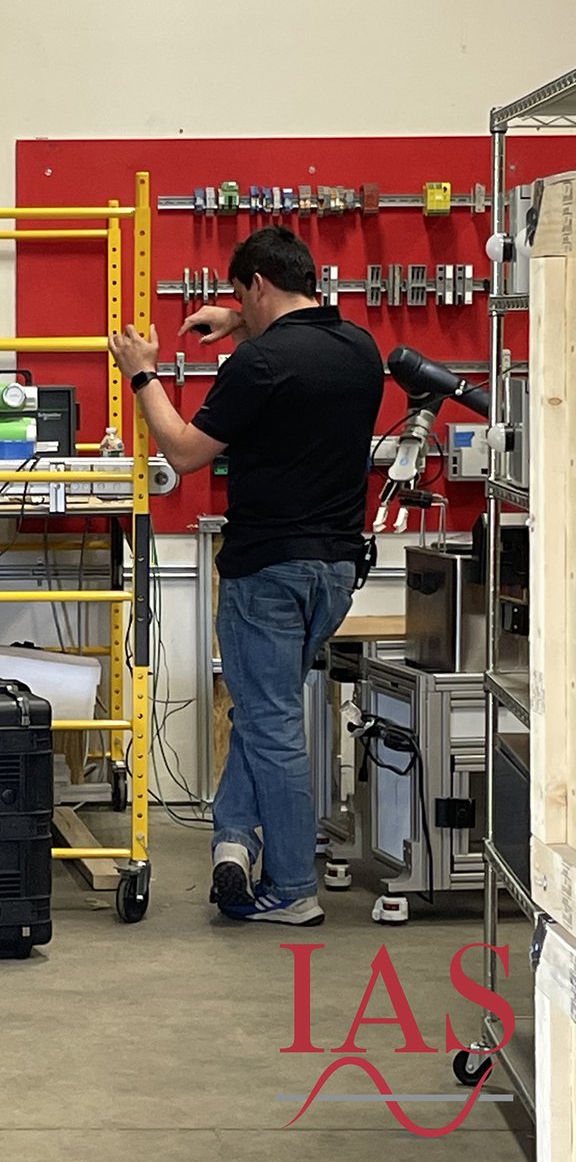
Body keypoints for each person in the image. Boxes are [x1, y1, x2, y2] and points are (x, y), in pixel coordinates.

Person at [108, 226, 383, 926]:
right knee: (267, 715)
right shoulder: (359, 349)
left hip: (268, 570)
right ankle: (232, 843)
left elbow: (186, 450)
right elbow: (296, 336)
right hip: (336, 571)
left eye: (239, 294)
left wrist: (141, 372)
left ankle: (292, 889)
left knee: (271, 726)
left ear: (259, 283)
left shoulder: (257, 365)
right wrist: (240, 315)